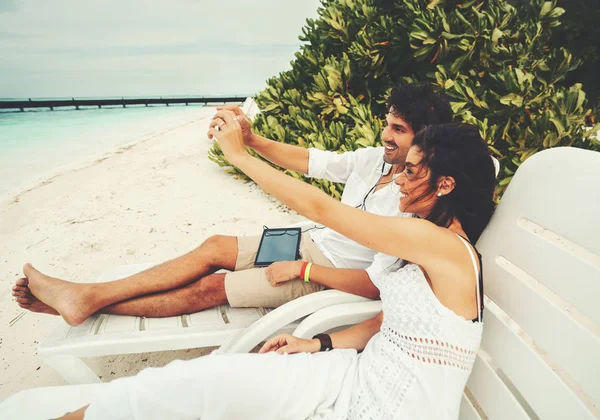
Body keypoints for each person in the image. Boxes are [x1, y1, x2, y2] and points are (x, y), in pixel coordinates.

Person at [51, 121, 497, 420]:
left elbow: (321, 207)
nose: (399, 177)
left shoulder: (443, 247)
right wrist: (316, 342)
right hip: (354, 373)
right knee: (196, 380)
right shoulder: (422, 237)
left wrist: (241, 157)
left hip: (391, 407)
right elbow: (387, 321)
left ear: (445, 185)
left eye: (412, 171)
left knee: (202, 387)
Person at [12, 84, 452, 326]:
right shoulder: (375, 160)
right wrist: (250, 139)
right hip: (307, 242)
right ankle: (88, 296)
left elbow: (375, 284)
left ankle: (84, 302)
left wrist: (303, 270)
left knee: (211, 287)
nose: (385, 136)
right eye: (387, 124)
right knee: (215, 247)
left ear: (427, 137)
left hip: (326, 276)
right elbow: (308, 162)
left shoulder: (417, 200)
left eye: (399, 129)